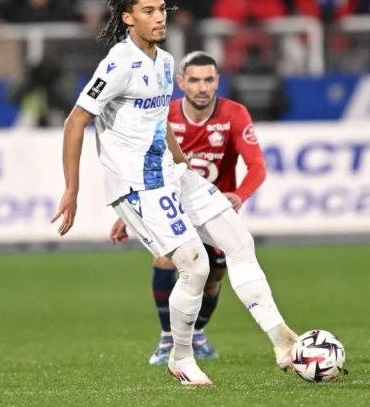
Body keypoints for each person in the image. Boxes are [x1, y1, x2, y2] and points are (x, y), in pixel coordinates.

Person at [51, 0, 297, 387]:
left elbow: (159, 121)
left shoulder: (165, 63)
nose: (159, 17)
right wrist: (73, 189)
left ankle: (282, 339)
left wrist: (184, 169)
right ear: (128, 18)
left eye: (162, 8)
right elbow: (75, 121)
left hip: (171, 174)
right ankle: (181, 356)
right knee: (195, 265)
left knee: (238, 241)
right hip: (137, 185)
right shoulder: (117, 63)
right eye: (148, 11)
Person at [108, 51, 267, 366]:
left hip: (212, 209)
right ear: (181, 83)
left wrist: (238, 195)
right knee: (167, 260)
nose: (202, 87)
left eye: (208, 79)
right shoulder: (162, 116)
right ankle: (168, 339)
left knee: (212, 279)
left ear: (217, 81)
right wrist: (126, 214)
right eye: (194, 80)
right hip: (170, 207)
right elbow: (140, 167)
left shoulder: (234, 114)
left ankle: (197, 334)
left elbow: (257, 167)